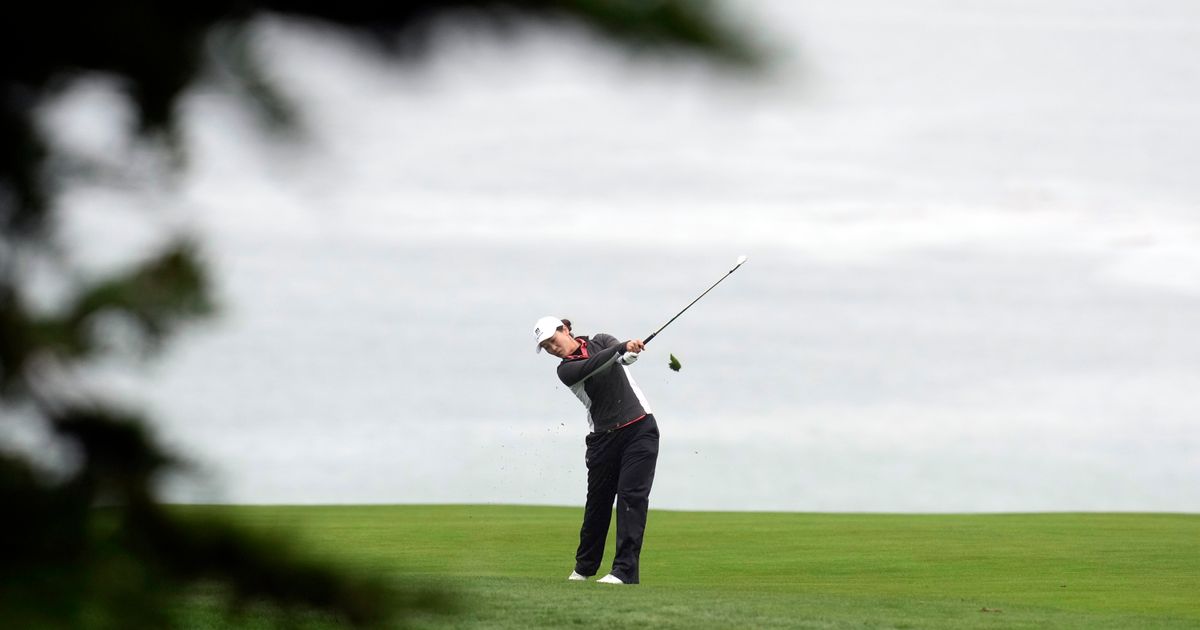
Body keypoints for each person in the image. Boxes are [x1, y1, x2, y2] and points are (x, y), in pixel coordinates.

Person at [534, 315, 659, 585]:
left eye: (552, 341)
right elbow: (596, 364)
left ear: (564, 329)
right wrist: (622, 348)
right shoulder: (566, 370)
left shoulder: (600, 340)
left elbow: (621, 360)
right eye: (546, 347)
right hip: (604, 439)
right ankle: (584, 568)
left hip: (640, 429)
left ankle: (624, 572)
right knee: (598, 505)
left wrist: (630, 351)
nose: (552, 348)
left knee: (631, 499)